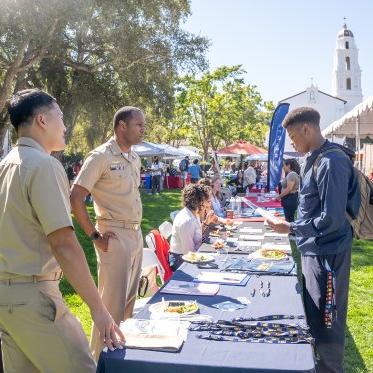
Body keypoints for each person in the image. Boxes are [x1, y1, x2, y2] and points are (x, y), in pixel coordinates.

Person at [0, 89, 124, 372]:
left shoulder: (5, 165)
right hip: (35, 296)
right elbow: (64, 244)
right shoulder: (44, 165)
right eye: (61, 117)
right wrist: (99, 310)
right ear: (42, 120)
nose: (65, 126)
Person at [268, 107, 360, 373]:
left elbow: (331, 219)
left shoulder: (333, 161)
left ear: (306, 129)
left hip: (328, 256)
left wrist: (291, 228)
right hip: (314, 253)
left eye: (293, 136)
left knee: (327, 323)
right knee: (314, 318)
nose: (292, 143)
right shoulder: (313, 158)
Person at [70, 106, 145, 361]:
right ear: (121, 126)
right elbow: (76, 197)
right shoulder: (100, 156)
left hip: (135, 234)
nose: (143, 129)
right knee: (110, 308)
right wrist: (95, 237)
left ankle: (121, 362)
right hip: (113, 235)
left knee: (128, 306)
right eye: (138, 125)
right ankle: (99, 361)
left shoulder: (134, 158)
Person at [169, 184, 214, 271]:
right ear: (198, 202)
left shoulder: (193, 213)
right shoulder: (187, 221)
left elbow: (196, 234)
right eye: (205, 202)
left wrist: (206, 222)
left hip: (190, 256)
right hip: (181, 262)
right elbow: (189, 254)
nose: (207, 206)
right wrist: (208, 255)